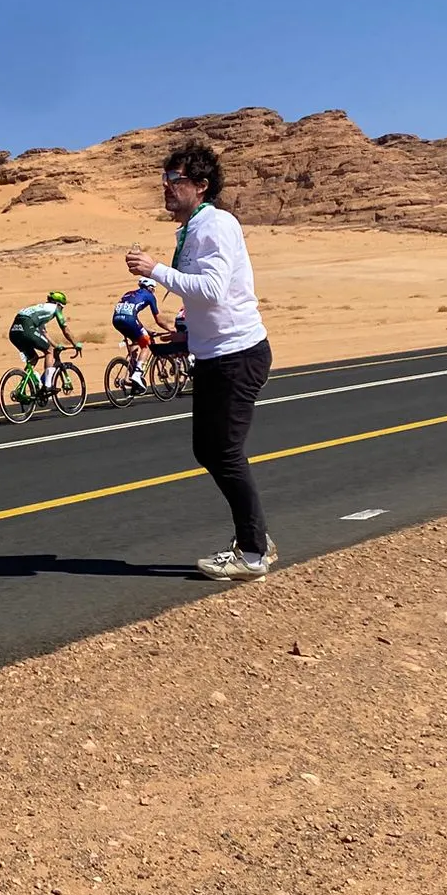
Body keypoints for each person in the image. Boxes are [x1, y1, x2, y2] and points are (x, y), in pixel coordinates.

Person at [127, 138, 276, 580]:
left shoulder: (216, 225)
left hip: (238, 353)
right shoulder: (193, 228)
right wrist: (186, 329)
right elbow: (214, 295)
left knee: (223, 451)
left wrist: (154, 270)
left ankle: (252, 552)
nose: (167, 188)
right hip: (215, 353)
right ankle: (255, 539)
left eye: (176, 180)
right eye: (165, 180)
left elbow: (211, 288)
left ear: (201, 185)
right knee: (209, 449)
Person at [9, 290, 79, 399]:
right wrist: (75, 344)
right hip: (27, 328)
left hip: (14, 332)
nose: (61, 310)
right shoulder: (55, 309)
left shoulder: (40, 309)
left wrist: (56, 345)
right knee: (49, 351)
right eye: (62, 307)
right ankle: (47, 385)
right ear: (58, 304)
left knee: (33, 358)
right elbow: (65, 329)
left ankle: (23, 386)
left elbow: (43, 333)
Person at [111, 274, 171, 389]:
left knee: (135, 340)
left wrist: (146, 329)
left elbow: (131, 314)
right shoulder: (149, 296)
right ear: (150, 287)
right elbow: (158, 320)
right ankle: (137, 375)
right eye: (153, 289)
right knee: (146, 344)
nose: (154, 291)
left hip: (116, 319)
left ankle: (131, 369)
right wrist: (170, 329)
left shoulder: (129, 293)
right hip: (129, 320)